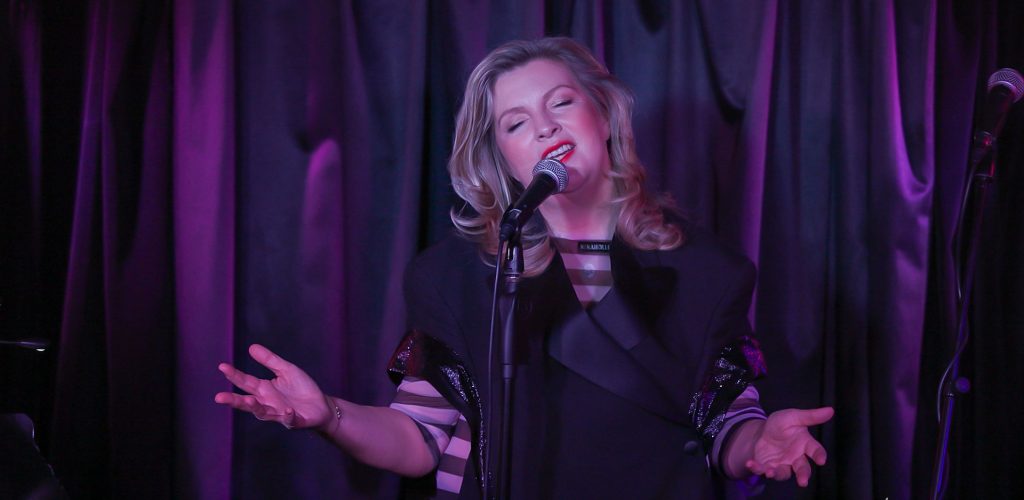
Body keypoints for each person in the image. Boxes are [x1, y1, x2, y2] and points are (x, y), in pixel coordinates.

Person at [215, 37, 833, 499]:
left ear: (604, 115)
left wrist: (761, 442)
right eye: (516, 123)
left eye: (561, 101)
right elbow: (419, 438)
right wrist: (330, 413)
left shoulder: (708, 270)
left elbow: (728, 421)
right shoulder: (450, 278)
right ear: (500, 157)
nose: (544, 127)